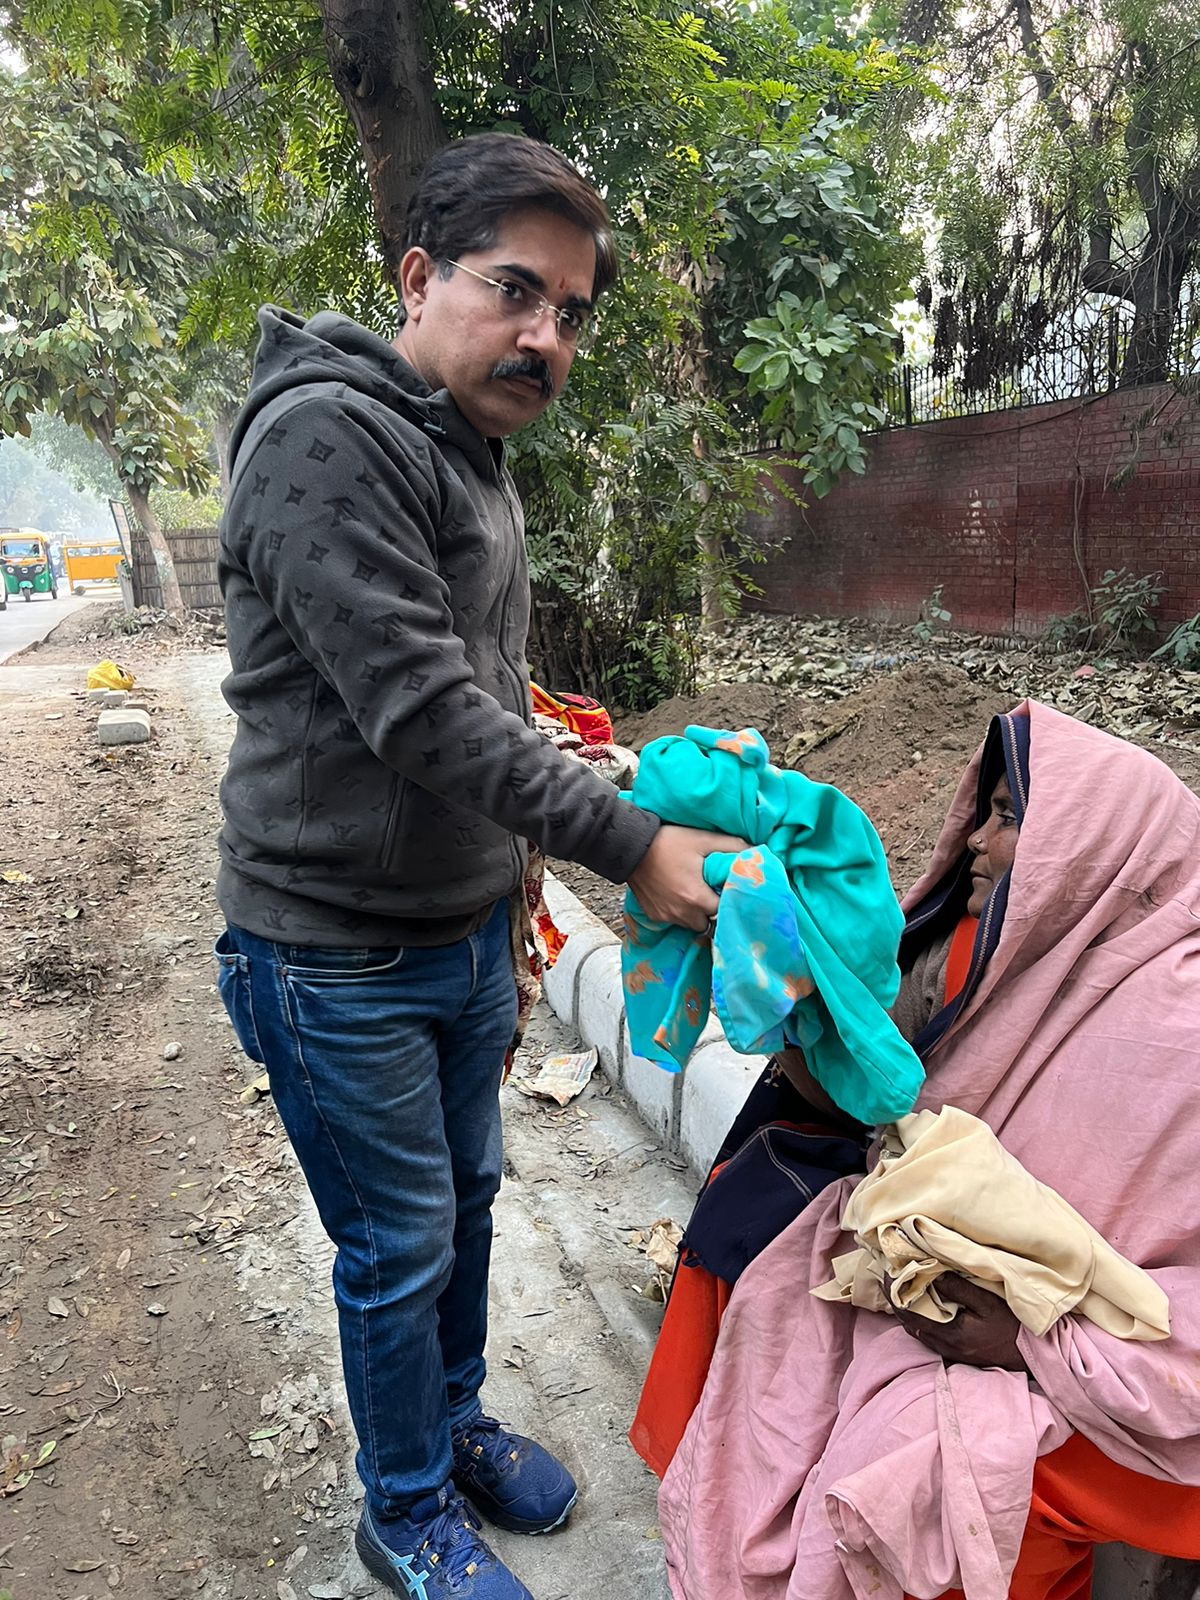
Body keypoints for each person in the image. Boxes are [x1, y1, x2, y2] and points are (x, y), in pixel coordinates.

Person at [213, 133, 743, 1600]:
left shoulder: (468, 452)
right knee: (396, 1247)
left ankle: (445, 1429)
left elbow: (476, 686)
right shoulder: (327, 439)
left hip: (451, 932)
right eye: (516, 290)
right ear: (417, 275)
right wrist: (632, 847)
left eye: (572, 311)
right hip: (333, 953)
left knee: (466, 1204)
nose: (546, 335)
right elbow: (417, 710)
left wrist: (584, 770)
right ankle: (402, 1509)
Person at [639, 701, 1200, 1600]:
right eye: (982, 811)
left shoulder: (1176, 1022)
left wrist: (1027, 1342)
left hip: (1096, 1359)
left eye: (1009, 817)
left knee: (933, 1469)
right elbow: (875, 1099)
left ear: (1094, 847)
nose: (975, 840)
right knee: (740, 1224)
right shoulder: (990, 942)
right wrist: (799, 988)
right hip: (945, 1283)